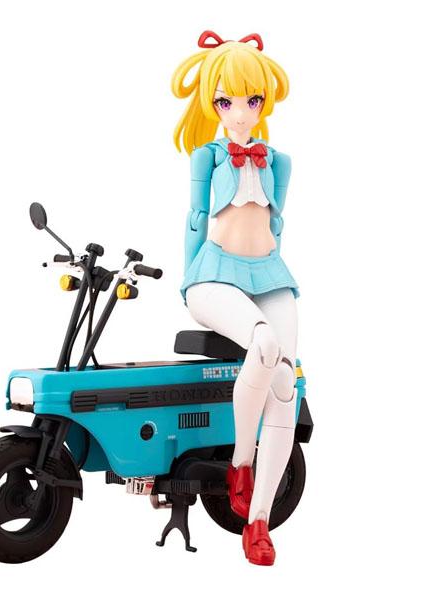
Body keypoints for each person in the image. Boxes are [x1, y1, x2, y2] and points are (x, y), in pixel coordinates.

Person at [171, 30, 300, 566]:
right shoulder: (208, 156)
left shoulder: (279, 161)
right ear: (213, 104)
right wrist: (189, 283)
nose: (241, 113)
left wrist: (267, 266)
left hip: (269, 276)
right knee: (264, 345)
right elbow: (196, 219)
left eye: (252, 100)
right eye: (227, 102)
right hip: (214, 274)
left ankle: (259, 522)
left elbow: (278, 225)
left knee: (286, 385)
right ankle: (240, 464)